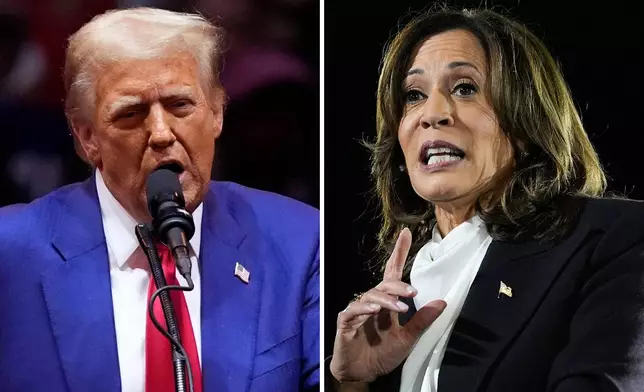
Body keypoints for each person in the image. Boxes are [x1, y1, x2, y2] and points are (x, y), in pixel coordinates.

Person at [0, 7, 319, 392]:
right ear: (87, 138)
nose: (161, 133)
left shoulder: (300, 240)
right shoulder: (11, 252)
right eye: (131, 114)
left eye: (180, 105)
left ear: (217, 112)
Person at [327, 7, 644, 392]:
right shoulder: (392, 305)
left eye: (465, 88)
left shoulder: (611, 240)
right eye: (413, 95)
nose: (433, 114)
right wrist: (354, 382)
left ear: (525, 120)